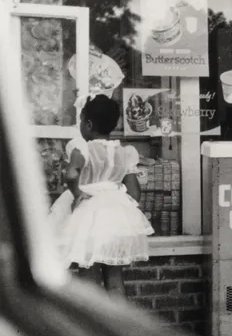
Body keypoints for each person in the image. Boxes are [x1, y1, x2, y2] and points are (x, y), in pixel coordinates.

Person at [48, 95, 154, 296]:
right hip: (115, 221)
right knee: (115, 278)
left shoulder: (82, 149)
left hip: (86, 220)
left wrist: (78, 193)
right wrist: (116, 200)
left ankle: (91, 323)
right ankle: (117, 323)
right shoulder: (124, 153)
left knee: (88, 275)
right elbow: (134, 193)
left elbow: (71, 174)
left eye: (81, 121)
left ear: (88, 124)